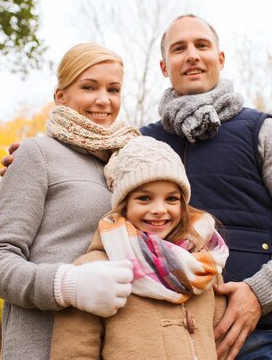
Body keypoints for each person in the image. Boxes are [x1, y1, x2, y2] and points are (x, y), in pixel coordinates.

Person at [1, 15, 272, 360]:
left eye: (202, 45)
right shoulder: (137, 145)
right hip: (161, 341)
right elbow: (79, 163)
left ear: (220, 59)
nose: (191, 55)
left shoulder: (259, 131)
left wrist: (260, 292)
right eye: (179, 49)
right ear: (164, 66)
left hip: (255, 337)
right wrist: (30, 159)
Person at [0, 43, 141, 359]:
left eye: (113, 89)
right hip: (42, 346)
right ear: (61, 96)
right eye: (88, 87)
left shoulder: (132, 163)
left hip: (118, 345)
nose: (103, 99)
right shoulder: (35, 155)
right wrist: (68, 285)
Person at [50, 136, 229, 359]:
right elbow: (74, 352)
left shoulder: (205, 265)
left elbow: (220, 343)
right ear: (124, 205)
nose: (159, 209)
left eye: (171, 199)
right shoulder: (94, 269)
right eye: (144, 198)